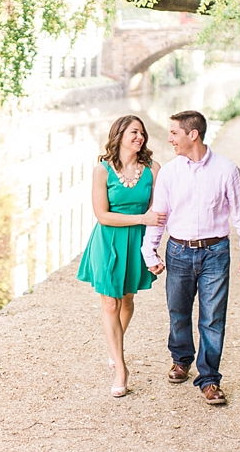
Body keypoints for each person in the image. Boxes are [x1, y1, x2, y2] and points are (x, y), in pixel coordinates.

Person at [141, 110, 240, 405]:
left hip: (216, 253)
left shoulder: (227, 170)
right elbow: (159, 216)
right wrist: (149, 250)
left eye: (174, 133)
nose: (169, 139)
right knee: (178, 312)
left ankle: (209, 380)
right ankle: (181, 359)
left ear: (193, 135)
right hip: (178, 251)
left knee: (212, 319)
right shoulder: (169, 172)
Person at [77, 115, 165, 398]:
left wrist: (153, 249)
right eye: (134, 132)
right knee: (110, 303)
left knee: (127, 300)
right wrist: (142, 218)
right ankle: (121, 369)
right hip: (108, 242)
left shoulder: (153, 170)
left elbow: (159, 215)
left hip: (136, 243)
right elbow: (102, 215)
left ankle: (116, 345)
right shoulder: (102, 171)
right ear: (119, 135)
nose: (140, 137)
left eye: (142, 132)